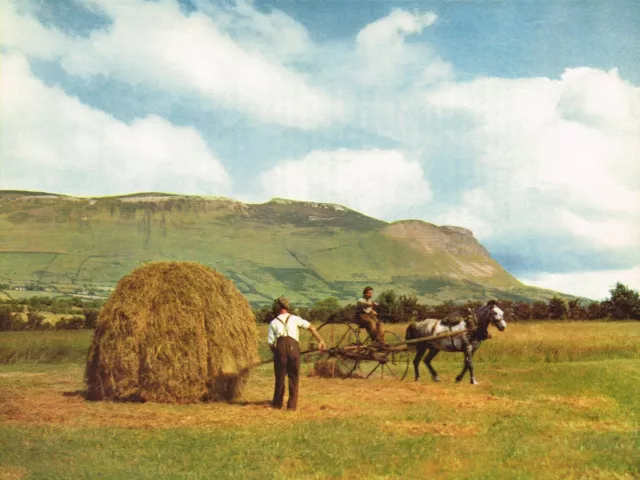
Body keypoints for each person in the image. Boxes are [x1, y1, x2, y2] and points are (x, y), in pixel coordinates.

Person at [267, 297, 326, 410]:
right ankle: (291, 407)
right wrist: (321, 340)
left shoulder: (273, 322)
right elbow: (311, 328)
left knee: (279, 378)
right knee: (293, 377)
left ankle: (277, 404)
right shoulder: (294, 318)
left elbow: (270, 343)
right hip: (294, 349)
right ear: (287, 307)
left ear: (278, 307)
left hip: (280, 350)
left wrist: (277, 354)